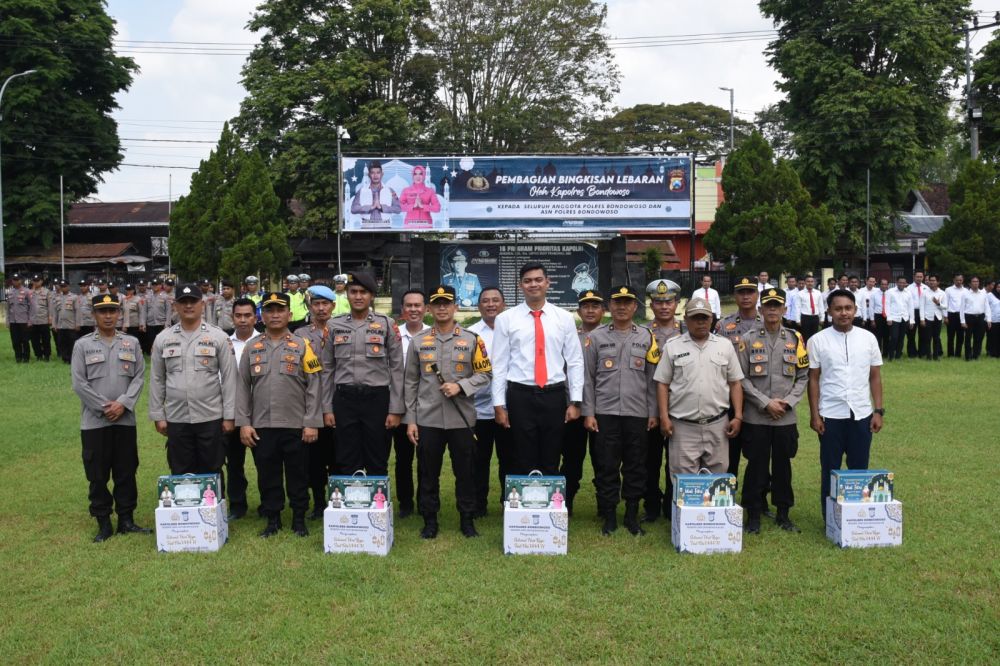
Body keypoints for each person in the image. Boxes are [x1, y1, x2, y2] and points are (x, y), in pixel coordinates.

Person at [404, 285, 492, 539]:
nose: (442, 307)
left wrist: (461, 386)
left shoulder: (472, 338)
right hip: (428, 418)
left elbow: (486, 373)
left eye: (447, 303)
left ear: (455, 307)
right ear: (429, 309)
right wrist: (411, 420)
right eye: (437, 303)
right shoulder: (419, 342)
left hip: (461, 419)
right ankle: (429, 520)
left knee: (465, 472)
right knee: (427, 472)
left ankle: (467, 518)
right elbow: (410, 382)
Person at [236, 292, 324, 538]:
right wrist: (244, 423)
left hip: (296, 425)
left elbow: (315, 386)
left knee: (298, 474)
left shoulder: (303, 346)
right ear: (262, 315)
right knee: (268, 475)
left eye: (280, 310)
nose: (275, 315)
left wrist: (311, 423)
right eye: (270, 310)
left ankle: (299, 519)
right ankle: (273, 519)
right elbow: (242, 386)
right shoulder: (252, 347)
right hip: (262, 425)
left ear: (290, 314)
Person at [491, 262, 584, 476]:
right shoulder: (506, 319)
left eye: (538, 280)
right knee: (523, 455)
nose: (533, 284)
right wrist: (498, 405)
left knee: (552, 455)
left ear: (547, 283)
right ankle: (525, 507)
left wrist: (576, 401)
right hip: (520, 394)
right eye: (528, 281)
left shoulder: (564, 318)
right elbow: (500, 364)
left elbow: (575, 361)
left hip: (553, 394)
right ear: (520, 285)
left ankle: (551, 506)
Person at [70, 293, 149, 542]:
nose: (108, 316)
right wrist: (105, 407)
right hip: (95, 422)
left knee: (126, 470)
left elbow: (138, 377)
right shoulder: (82, 345)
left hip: (125, 421)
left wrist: (123, 404)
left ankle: (126, 519)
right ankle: (103, 522)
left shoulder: (131, 343)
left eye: (112, 311)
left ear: (119, 314)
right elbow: (79, 383)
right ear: (94, 315)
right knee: (97, 473)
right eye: (102, 312)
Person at [582, 286, 660, 536]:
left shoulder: (647, 337)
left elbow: (653, 379)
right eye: (617, 302)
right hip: (604, 413)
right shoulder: (596, 337)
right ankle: (609, 516)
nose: (622, 307)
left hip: (637, 414)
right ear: (609, 306)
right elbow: (587, 378)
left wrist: (654, 412)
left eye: (627, 302)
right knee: (607, 465)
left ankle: (631, 516)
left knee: (636, 466)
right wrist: (589, 412)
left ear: (635, 306)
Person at [807, 289, 883, 520]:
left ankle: (856, 517)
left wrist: (878, 410)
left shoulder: (868, 338)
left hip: (861, 413)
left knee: (859, 468)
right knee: (830, 469)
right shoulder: (817, 340)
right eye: (838, 309)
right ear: (829, 311)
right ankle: (831, 518)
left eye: (848, 308)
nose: (843, 313)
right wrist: (815, 415)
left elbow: (875, 377)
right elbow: (813, 379)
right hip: (830, 414)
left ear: (855, 310)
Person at [737, 288, 808, 534]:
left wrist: (787, 402)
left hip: (785, 418)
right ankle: (753, 515)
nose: (772, 310)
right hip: (757, 416)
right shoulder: (747, 339)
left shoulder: (795, 339)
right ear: (760, 310)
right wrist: (764, 402)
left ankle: (783, 514)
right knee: (756, 466)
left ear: (785, 309)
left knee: (783, 467)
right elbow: (741, 378)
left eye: (777, 306)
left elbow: (803, 376)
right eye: (768, 306)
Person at [149, 284, 237, 477]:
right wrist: (158, 415)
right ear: (175, 306)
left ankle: (214, 507)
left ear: (202, 304)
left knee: (212, 470)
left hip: (211, 416)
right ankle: (183, 507)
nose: (188, 306)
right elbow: (157, 378)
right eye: (183, 302)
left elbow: (230, 379)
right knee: (181, 471)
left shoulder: (218, 337)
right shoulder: (163, 338)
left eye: (193, 301)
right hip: (176, 416)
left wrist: (230, 416)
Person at [654, 297, 744, 476]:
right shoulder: (673, 346)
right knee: (683, 483)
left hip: (718, 425)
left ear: (712, 320)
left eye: (705, 318)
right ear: (686, 320)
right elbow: (662, 384)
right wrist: (664, 417)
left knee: (716, 481)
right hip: (683, 427)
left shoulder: (724, 346)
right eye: (695, 318)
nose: (701, 322)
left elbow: (735, 383)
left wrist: (738, 416)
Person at [328, 271, 404, 475]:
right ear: (347, 294)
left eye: (363, 292)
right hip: (344, 400)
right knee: (345, 458)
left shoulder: (387, 324)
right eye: (353, 292)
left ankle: (377, 506)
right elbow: (327, 369)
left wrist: (395, 409)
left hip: (377, 399)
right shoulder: (334, 325)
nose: (358, 296)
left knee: (377, 458)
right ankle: (349, 505)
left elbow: (397, 368)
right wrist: (327, 408)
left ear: (371, 296)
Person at [642, 278, 685, 524]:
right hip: (649, 406)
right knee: (649, 459)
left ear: (677, 303)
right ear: (651, 304)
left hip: (680, 406)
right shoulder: (643, 332)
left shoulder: (688, 331)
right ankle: (650, 505)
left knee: (677, 460)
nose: (664, 306)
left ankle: (672, 504)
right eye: (658, 302)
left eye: (669, 301)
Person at [294, 285, 337, 519]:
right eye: (316, 304)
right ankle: (319, 503)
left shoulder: (341, 330)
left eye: (325, 304)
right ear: (310, 307)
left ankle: (337, 500)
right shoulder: (300, 335)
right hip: (310, 405)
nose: (321, 309)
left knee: (338, 456)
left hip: (337, 404)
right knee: (314, 460)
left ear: (333, 306)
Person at [561, 289, 605, 516]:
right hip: (574, 407)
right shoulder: (570, 338)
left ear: (603, 310)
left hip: (602, 408)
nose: (590, 310)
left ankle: (603, 507)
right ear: (578, 311)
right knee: (571, 459)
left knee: (603, 460)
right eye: (585, 306)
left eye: (595, 306)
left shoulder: (609, 335)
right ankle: (565, 504)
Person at [468, 287, 510, 518]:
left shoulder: (515, 330)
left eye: (495, 300)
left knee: (509, 459)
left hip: (508, 407)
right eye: (485, 301)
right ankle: (478, 505)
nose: (490, 304)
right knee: (478, 460)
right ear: (479, 305)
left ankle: (509, 502)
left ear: (503, 304)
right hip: (478, 408)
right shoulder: (470, 333)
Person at [715, 276, 761, 486]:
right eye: (741, 292)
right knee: (729, 452)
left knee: (758, 455)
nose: (745, 296)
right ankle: (727, 494)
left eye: (750, 292)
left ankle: (757, 499)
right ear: (735, 295)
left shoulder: (768, 322)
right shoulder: (724, 326)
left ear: (757, 295)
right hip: (729, 397)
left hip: (758, 399)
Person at [392, 289, 428, 518]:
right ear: (402, 309)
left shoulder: (433, 335)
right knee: (402, 458)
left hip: (426, 407)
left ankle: (425, 502)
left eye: (418, 305)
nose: (414, 310)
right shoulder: (393, 334)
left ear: (425, 309)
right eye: (409, 305)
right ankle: (405, 503)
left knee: (426, 458)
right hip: (398, 407)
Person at [224, 298, 259, 520]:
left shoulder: (264, 341)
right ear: (233, 317)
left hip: (259, 413)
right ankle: (237, 505)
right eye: (239, 316)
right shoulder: (224, 343)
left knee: (265, 462)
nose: (243, 320)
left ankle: (269, 504)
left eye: (248, 315)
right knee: (234, 464)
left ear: (256, 318)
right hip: (232, 413)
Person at [350, 160, 401, 227]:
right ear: (369, 175)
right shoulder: (362, 190)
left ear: (382, 174)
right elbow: (353, 209)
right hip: (367, 227)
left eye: (378, 172)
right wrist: (370, 207)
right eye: (372, 173)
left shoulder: (390, 190)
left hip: (385, 227)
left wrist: (382, 207)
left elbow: (398, 209)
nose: (375, 175)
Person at [400, 164, 441, 229]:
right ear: (412, 176)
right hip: (410, 225)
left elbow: (437, 208)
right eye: (415, 174)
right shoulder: (406, 191)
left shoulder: (430, 191)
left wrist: (423, 206)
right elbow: (399, 207)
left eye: (420, 174)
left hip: (426, 226)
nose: (418, 176)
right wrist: (413, 206)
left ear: (424, 176)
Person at [960, 276, 991, 360]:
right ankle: (968, 356)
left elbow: (987, 306)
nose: (975, 283)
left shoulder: (983, 293)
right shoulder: (965, 294)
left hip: (980, 317)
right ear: (970, 283)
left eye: (977, 281)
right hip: (969, 317)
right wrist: (962, 321)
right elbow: (962, 308)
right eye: (973, 281)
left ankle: (976, 355)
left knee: (979, 337)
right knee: (968, 337)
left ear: (979, 283)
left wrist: (988, 319)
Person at [885, 277, 912, 361]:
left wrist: (912, 320)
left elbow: (911, 307)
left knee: (901, 338)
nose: (902, 284)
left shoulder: (908, 292)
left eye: (904, 283)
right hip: (894, 318)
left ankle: (898, 356)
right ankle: (891, 355)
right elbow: (887, 305)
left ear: (906, 283)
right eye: (900, 282)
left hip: (905, 318)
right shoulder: (890, 292)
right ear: (896, 283)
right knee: (894, 337)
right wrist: (888, 317)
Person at [6, 273, 32, 363]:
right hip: (13, 321)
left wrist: (30, 320)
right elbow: (8, 308)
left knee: (25, 341)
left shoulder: (27, 291)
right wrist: (8, 321)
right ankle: (18, 357)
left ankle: (26, 358)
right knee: (15, 341)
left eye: (17, 280)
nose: (15, 281)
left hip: (24, 321)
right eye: (13, 280)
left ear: (21, 280)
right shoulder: (10, 292)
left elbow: (31, 307)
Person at [921, 274, 947, 361]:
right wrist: (922, 319)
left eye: (933, 280)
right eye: (930, 280)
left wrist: (938, 303)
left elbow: (945, 306)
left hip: (938, 318)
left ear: (938, 282)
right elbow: (922, 306)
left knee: (936, 337)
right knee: (928, 338)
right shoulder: (925, 292)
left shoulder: (942, 293)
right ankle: (928, 356)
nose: (931, 282)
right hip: (928, 317)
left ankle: (936, 356)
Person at [28, 275, 53, 361]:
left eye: (38, 280)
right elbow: (27, 307)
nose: (36, 282)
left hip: (44, 319)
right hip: (33, 320)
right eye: (34, 280)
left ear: (41, 281)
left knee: (46, 339)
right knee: (34, 340)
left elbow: (50, 306)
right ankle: (38, 355)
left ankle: (47, 356)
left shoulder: (47, 292)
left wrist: (50, 317)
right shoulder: (30, 292)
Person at [53, 279, 79, 363]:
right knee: (61, 343)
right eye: (61, 286)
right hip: (61, 325)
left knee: (71, 343)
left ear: (68, 286)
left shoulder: (74, 297)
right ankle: (65, 358)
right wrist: (54, 324)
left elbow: (78, 311)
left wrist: (78, 324)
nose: (63, 288)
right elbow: (55, 312)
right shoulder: (57, 298)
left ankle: (72, 359)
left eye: (64, 286)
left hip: (71, 325)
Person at [945, 274, 967, 358]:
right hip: (951, 315)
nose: (959, 282)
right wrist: (946, 317)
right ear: (954, 280)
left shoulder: (966, 291)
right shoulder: (948, 290)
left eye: (960, 280)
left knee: (960, 336)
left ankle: (958, 354)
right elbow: (945, 304)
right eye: (957, 280)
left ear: (963, 280)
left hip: (962, 316)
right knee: (950, 336)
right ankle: (950, 354)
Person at [905, 271, 926, 357]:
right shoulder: (908, 288)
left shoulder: (926, 288)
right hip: (912, 312)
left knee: (923, 334)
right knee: (911, 334)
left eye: (921, 277)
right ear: (914, 277)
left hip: (923, 312)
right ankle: (912, 353)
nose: (919, 278)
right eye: (917, 276)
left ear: (923, 277)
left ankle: (922, 352)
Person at [795, 275, 822, 342]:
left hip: (815, 317)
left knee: (815, 337)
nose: (810, 283)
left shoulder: (818, 293)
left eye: (811, 281)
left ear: (814, 282)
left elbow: (821, 306)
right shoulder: (800, 294)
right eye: (808, 281)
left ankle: (813, 351)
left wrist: (822, 318)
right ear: (805, 282)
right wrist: (798, 320)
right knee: (805, 337)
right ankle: (806, 352)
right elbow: (797, 307)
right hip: (805, 318)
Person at [871, 278, 890, 354]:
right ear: (879, 285)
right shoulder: (874, 294)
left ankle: (885, 353)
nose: (884, 286)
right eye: (882, 284)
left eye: (886, 284)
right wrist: (872, 320)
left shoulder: (890, 294)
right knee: (878, 336)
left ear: (887, 285)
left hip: (887, 317)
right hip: (878, 316)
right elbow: (871, 308)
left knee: (887, 335)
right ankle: (878, 353)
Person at [986, 280, 1000, 358]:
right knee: (993, 337)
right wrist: (988, 319)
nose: (999, 288)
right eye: (998, 287)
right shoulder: (990, 295)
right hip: (993, 320)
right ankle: (992, 353)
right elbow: (987, 307)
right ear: (995, 287)